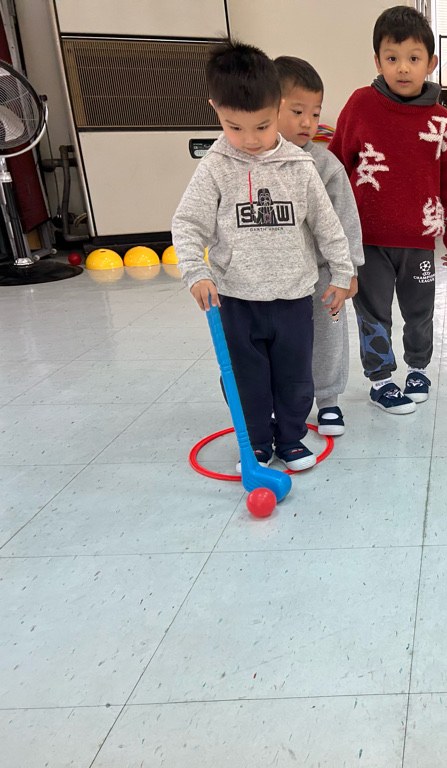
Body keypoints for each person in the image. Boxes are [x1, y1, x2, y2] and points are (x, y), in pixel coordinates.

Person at [172, 40, 355, 470]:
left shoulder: (301, 166)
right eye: (235, 127)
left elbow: (328, 226)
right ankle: (256, 442)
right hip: (236, 299)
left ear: (277, 108)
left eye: (262, 126)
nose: (250, 140)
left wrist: (342, 273)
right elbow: (188, 223)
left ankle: (290, 437)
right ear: (216, 110)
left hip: (294, 298)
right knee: (246, 378)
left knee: (295, 376)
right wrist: (196, 272)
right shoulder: (215, 166)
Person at [328, 5, 447, 414]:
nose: (403, 68)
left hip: (419, 239)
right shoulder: (360, 105)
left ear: (430, 63)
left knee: (419, 311)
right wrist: (330, 232)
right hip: (367, 239)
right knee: (373, 312)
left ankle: (418, 369)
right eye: (392, 58)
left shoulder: (441, 120)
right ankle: (381, 380)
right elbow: (335, 167)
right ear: (377, 61)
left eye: (413, 58)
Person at [275, 55, 363, 437]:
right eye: (298, 112)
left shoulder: (326, 165)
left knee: (329, 337)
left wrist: (349, 270)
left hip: (325, 275)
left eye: (315, 113)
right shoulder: (254, 164)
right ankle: (280, 403)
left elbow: (347, 219)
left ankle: (328, 400)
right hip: (278, 278)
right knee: (282, 344)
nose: (308, 123)